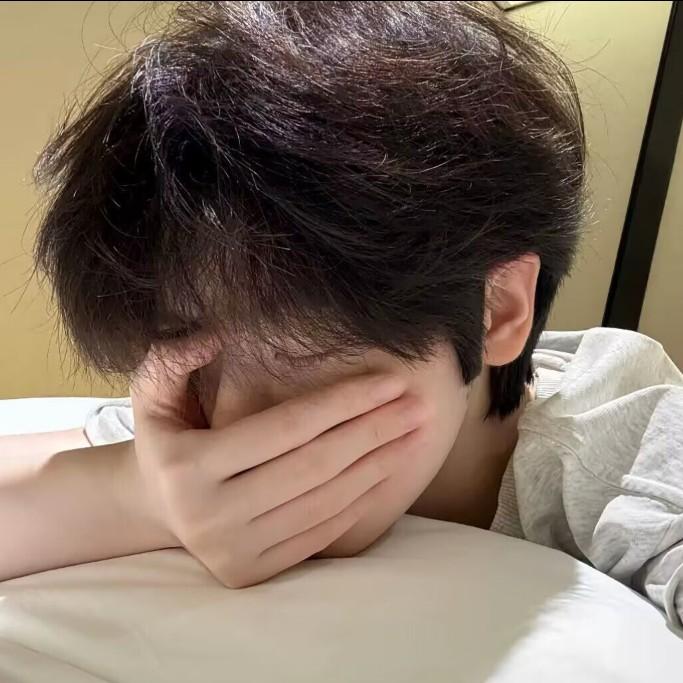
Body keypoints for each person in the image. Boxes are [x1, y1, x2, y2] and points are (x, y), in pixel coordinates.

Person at [2, 1, 682, 630]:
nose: (235, 429)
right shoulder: (194, 421)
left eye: (301, 357)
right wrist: (143, 493)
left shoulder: (623, 447)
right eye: (192, 351)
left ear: (498, 308)